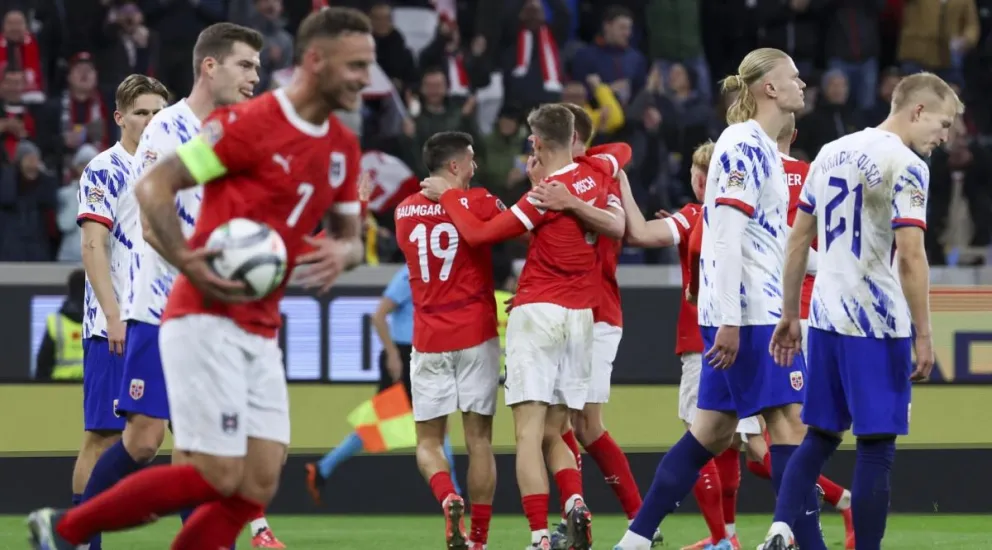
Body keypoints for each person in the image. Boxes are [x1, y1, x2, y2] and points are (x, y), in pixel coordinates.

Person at [27, 7, 371, 549]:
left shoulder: (342, 150)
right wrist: (191, 262)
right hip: (188, 310)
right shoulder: (246, 129)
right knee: (174, 453)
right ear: (315, 61)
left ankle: (68, 527)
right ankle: (70, 528)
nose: (365, 78)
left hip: (258, 322)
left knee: (255, 480)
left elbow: (349, 237)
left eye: (369, 65)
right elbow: (155, 190)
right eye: (355, 65)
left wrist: (341, 253)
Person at [72, 23, 284, 550]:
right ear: (210, 66)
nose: (256, 77)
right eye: (246, 65)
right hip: (159, 306)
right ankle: (75, 535)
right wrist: (203, 270)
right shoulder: (168, 129)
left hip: (215, 316)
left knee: (209, 450)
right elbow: (149, 222)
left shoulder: (240, 133)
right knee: (142, 440)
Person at [613, 47, 821, 550]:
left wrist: (836, 269)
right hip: (750, 315)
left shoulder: (763, 148)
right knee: (792, 424)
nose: (801, 84)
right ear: (768, 88)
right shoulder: (743, 143)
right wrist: (729, 319)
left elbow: (767, 244)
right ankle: (803, 541)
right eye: (793, 76)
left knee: (710, 433)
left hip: (747, 308)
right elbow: (724, 235)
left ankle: (635, 540)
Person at [760, 72, 953, 550]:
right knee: (877, 447)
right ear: (918, 111)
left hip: (824, 318)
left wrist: (790, 314)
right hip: (876, 321)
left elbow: (798, 240)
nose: (944, 139)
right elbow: (910, 255)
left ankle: (781, 530)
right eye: (944, 125)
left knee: (819, 437)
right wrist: (924, 334)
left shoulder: (830, 152)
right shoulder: (907, 165)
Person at [420, 104, 623, 550]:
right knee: (558, 430)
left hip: (539, 314)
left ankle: (538, 536)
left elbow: (478, 235)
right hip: (582, 318)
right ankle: (574, 503)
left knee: (528, 435)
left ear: (538, 143)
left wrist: (449, 196)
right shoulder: (596, 175)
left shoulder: (544, 194)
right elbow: (617, 197)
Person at [527, 104, 663, 550]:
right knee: (563, 421)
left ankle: (639, 519)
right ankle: (579, 509)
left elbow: (618, 152)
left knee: (582, 423)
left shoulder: (597, 173)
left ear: (575, 141)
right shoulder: (577, 176)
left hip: (597, 312)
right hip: (570, 308)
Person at [394, 131, 506, 550]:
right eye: (471, 160)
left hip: (429, 336)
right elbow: (506, 232)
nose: (476, 167)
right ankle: (478, 539)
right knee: (479, 441)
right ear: (455, 166)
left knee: (427, 442)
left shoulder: (404, 210)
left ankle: (448, 497)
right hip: (476, 333)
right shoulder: (479, 202)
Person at [72, 73, 169, 550]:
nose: (150, 121)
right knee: (104, 436)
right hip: (115, 322)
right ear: (119, 118)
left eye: (157, 112)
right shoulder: (105, 169)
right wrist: (112, 314)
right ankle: (82, 542)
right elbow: (93, 243)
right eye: (141, 112)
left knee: (167, 440)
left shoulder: (175, 169)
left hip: (166, 321)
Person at [305, 263, 462, 507]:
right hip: (404, 356)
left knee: (389, 424)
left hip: (421, 354)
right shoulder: (409, 275)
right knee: (434, 423)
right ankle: (455, 492)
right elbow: (378, 316)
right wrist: (392, 354)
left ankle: (323, 468)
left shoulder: (434, 276)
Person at [36, 269, 86, 381]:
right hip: (91, 386)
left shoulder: (55, 322)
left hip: (59, 388)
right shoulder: (102, 322)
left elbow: (43, 364)